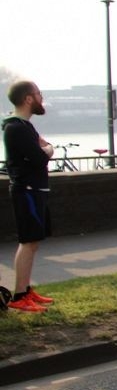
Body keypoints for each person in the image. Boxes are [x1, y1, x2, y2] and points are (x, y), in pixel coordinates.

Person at [2, 80, 55, 313]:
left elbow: (36, 154)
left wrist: (42, 149)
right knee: (27, 241)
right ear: (28, 99)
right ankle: (19, 296)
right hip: (27, 192)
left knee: (33, 242)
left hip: (35, 190)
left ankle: (26, 289)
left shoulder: (24, 126)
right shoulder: (15, 128)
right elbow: (40, 157)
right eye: (38, 94)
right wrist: (49, 148)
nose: (41, 98)